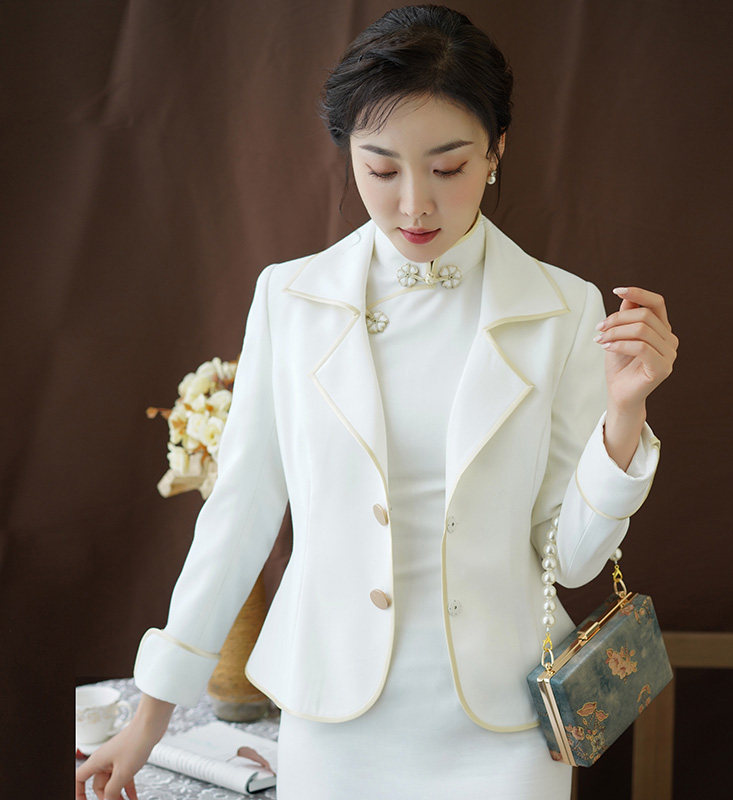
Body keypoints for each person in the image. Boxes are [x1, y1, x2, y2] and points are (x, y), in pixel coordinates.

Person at [76, 5, 678, 799]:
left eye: (449, 167)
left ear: (496, 150)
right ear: (348, 154)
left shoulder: (565, 309)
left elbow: (570, 559)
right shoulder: (290, 299)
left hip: (503, 728)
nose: (415, 205)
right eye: (382, 170)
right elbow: (239, 517)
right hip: (338, 720)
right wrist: (150, 716)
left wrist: (625, 417)